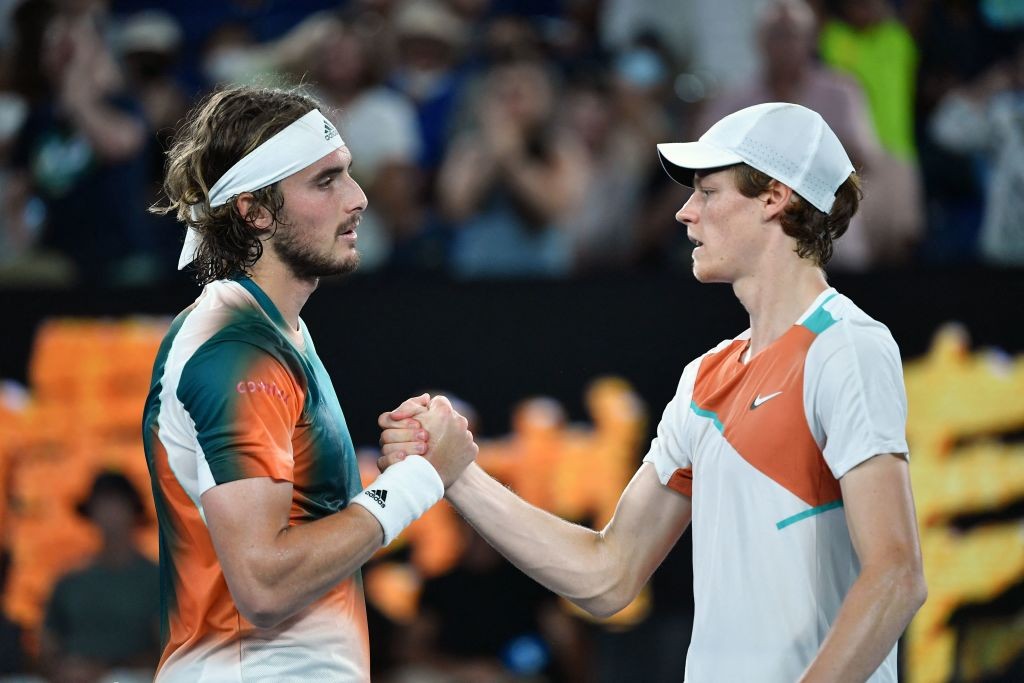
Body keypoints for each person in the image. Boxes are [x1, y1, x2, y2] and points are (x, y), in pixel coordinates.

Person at [380, 102, 927, 681]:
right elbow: (608, 576)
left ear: (774, 197)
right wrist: (457, 474)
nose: (685, 212)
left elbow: (896, 576)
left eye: (708, 192)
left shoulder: (846, 347)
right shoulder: (705, 377)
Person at [142, 85, 477, 682]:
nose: (358, 197)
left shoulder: (277, 331)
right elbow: (265, 584)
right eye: (325, 182)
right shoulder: (238, 349)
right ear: (255, 212)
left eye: (346, 172)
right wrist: (419, 480)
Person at [42, 472, 159, 682]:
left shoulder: (157, 580)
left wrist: (106, 670)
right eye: (102, 505)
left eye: (116, 505)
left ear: (133, 511)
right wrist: (62, 668)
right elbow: (49, 644)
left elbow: (169, 648)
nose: (109, 514)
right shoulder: (71, 581)